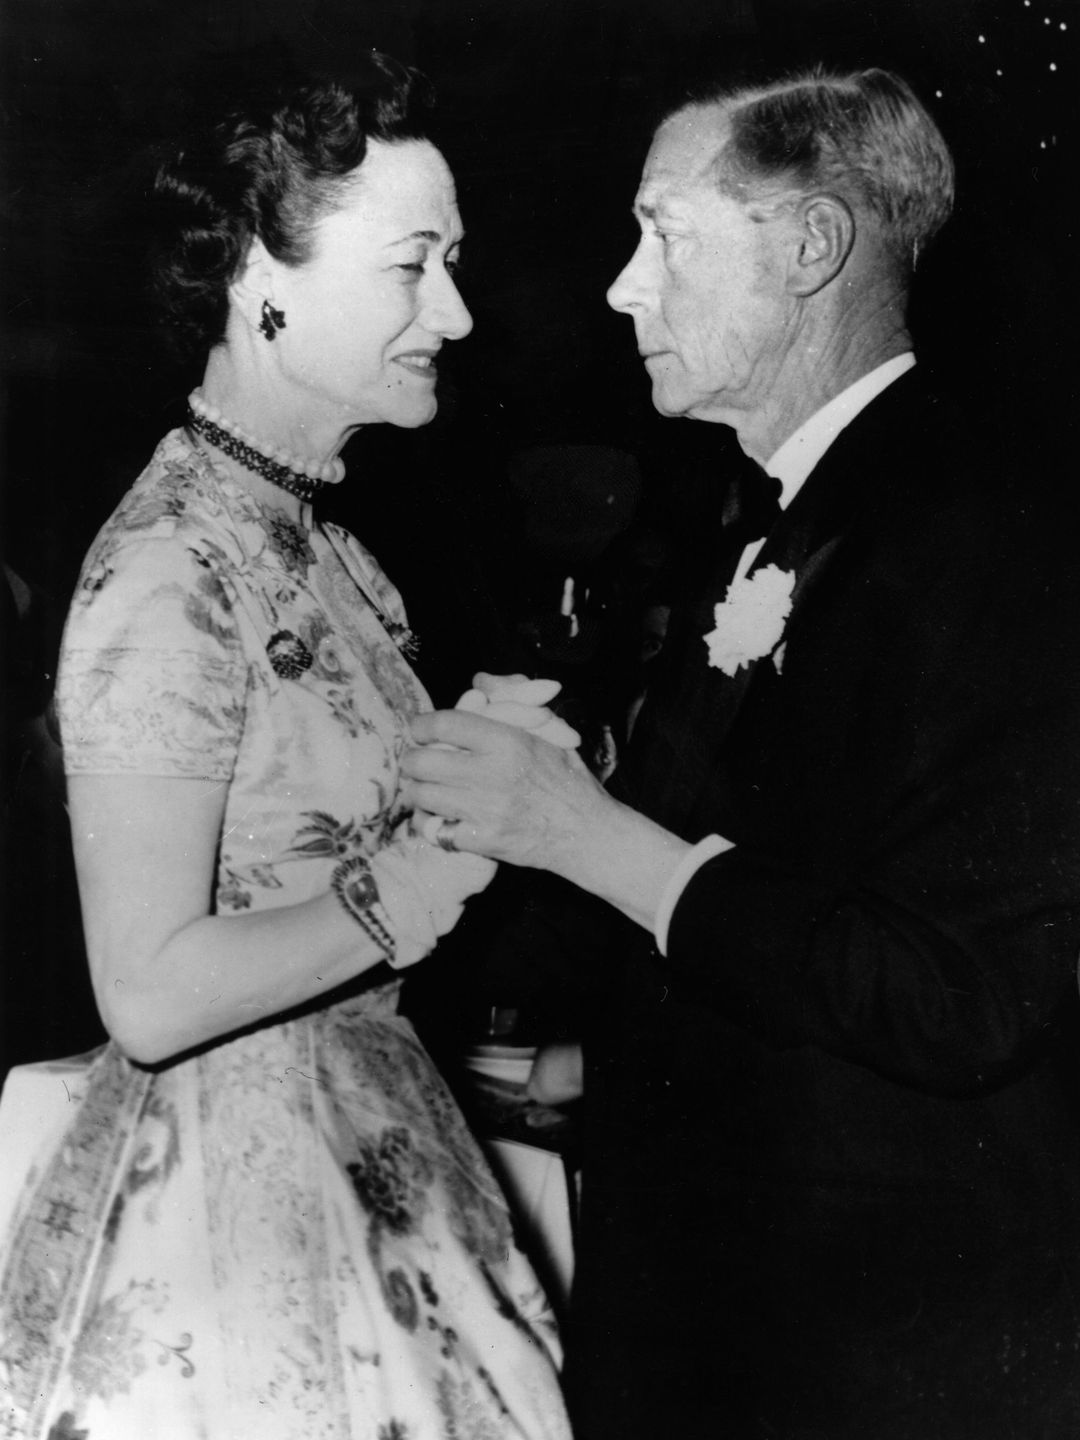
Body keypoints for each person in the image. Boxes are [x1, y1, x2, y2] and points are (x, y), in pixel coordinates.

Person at [401, 67, 1080, 1437]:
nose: (620, 289)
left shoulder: (989, 539)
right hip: (727, 1319)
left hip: (876, 1360)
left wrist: (588, 833)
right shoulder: (767, 519)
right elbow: (781, 885)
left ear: (813, 247)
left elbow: (963, 999)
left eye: (665, 233)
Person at [0, 55, 572, 1440]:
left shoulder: (318, 545)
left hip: (370, 1127)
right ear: (263, 276)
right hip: (238, 1208)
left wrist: (463, 765)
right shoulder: (167, 569)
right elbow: (145, 991)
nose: (457, 310)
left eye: (455, 263)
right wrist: (426, 872)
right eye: (411, 265)